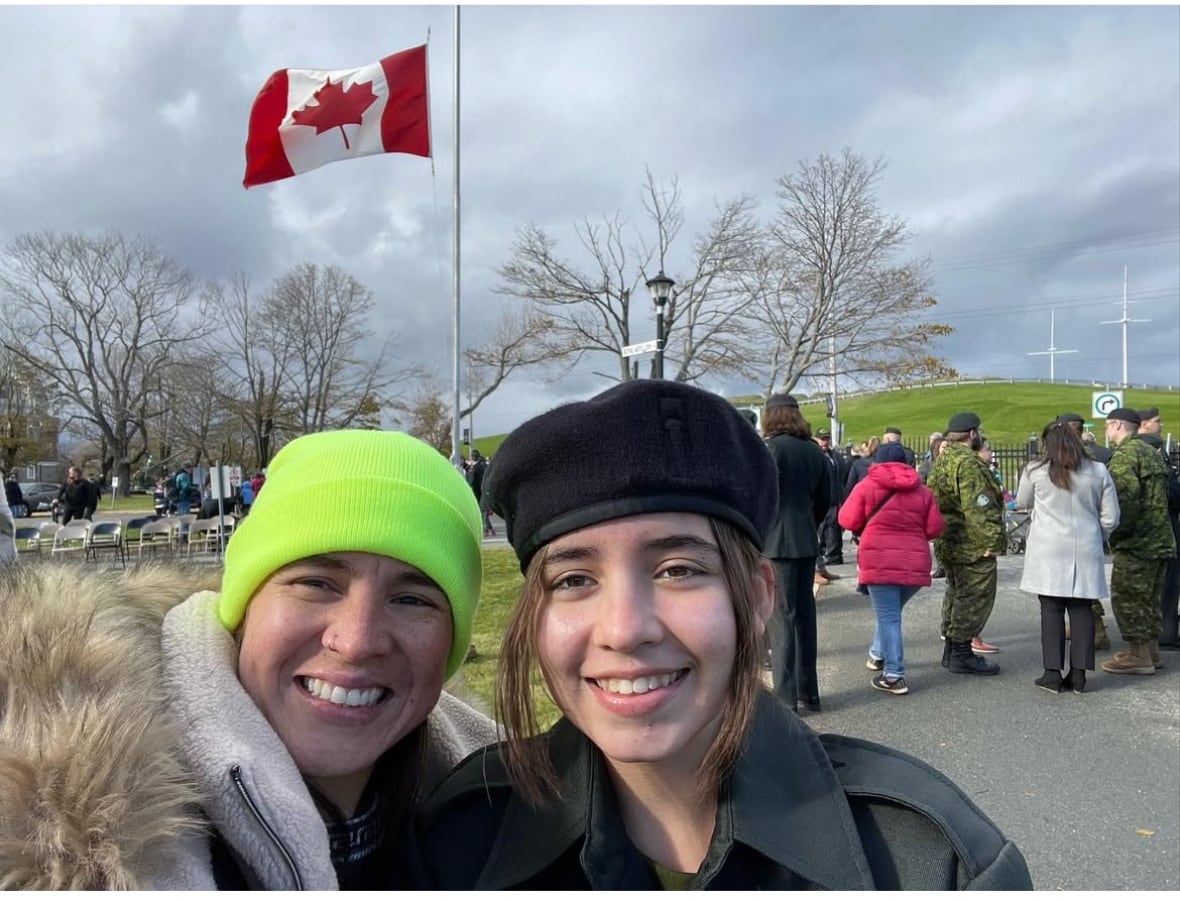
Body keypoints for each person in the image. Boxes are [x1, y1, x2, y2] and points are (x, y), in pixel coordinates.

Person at [418, 379, 1033, 890]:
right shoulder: (462, 840)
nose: (625, 629)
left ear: (759, 596)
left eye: (679, 570)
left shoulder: (928, 860)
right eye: (575, 579)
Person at [0, 430, 497, 888]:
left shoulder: (509, 818)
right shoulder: (84, 848)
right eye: (316, 584)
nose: (358, 640)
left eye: (413, 600)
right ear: (241, 609)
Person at [1016, 421, 1120, 694]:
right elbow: (1111, 517)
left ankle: (1052, 673)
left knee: (1051, 609)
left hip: (1048, 548)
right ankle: (1079, 675)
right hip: (1085, 546)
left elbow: (1022, 502)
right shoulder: (1098, 470)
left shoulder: (1035, 471)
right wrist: (1099, 533)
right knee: (1081, 609)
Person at [838, 441, 944, 695]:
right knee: (891, 613)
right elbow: (935, 529)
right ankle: (877, 654)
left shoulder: (866, 486)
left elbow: (846, 519)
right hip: (915, 563)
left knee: (888, 616)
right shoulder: (924, 492)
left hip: (879, 559)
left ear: (878, 461)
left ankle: (894, 675)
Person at [762, 392, 830, 712]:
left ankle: (786, 698)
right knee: (805, 615)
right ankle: (809, 690)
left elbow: (758, 499)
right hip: (805, 538)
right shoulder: (814, 452)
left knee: (781, 619)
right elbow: (826, 499)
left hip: (776, 542)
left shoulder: (768, 450)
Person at [1100, 408, 1177, 675]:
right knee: (1150, 599)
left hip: (1137, 542)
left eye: (1108, 426)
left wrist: (1115, 534)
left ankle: (1138, 655)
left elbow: (1125, 503)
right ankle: (1151, 652)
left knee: (1128, 597)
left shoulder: (1125, 455)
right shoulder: (1150, 453)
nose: (1107, 431)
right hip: (1161, 538)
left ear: (1118, 425)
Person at [928, 412, 1005, 675]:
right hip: (970, 544)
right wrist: (992, 542)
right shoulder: (968, 463)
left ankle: (952, 648)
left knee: (956, 594)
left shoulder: (942, 459)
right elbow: (979, 507)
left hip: (948, 541)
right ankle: (961, 651)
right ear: (973, 434)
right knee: (973, 597)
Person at [1057, 411, 1114, 647]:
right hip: (1091, 530)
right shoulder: (1099, 454)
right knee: (1084, 584)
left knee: (1075, 587)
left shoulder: (1065, 456)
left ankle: (1096, 632)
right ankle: (1091, 629)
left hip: (1065, 532)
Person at [1137, 407, 1180, 649]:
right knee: (1165, 583)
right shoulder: (1150, 451)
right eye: (1157, 421)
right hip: (1160, 529)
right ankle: (1162, 634)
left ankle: (1163, 633)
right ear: (1143, 424)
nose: (1161, 425)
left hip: (1161, 529)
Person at [814, 427, 849, 570]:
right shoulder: (817, 455)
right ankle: (827, 553)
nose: (825, 442)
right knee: (826, 526)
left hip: (835, 497)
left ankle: (834, 554)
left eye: (827, 439)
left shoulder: (834, 456)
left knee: (834, 526)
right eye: (822, 439)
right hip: (823, 497)